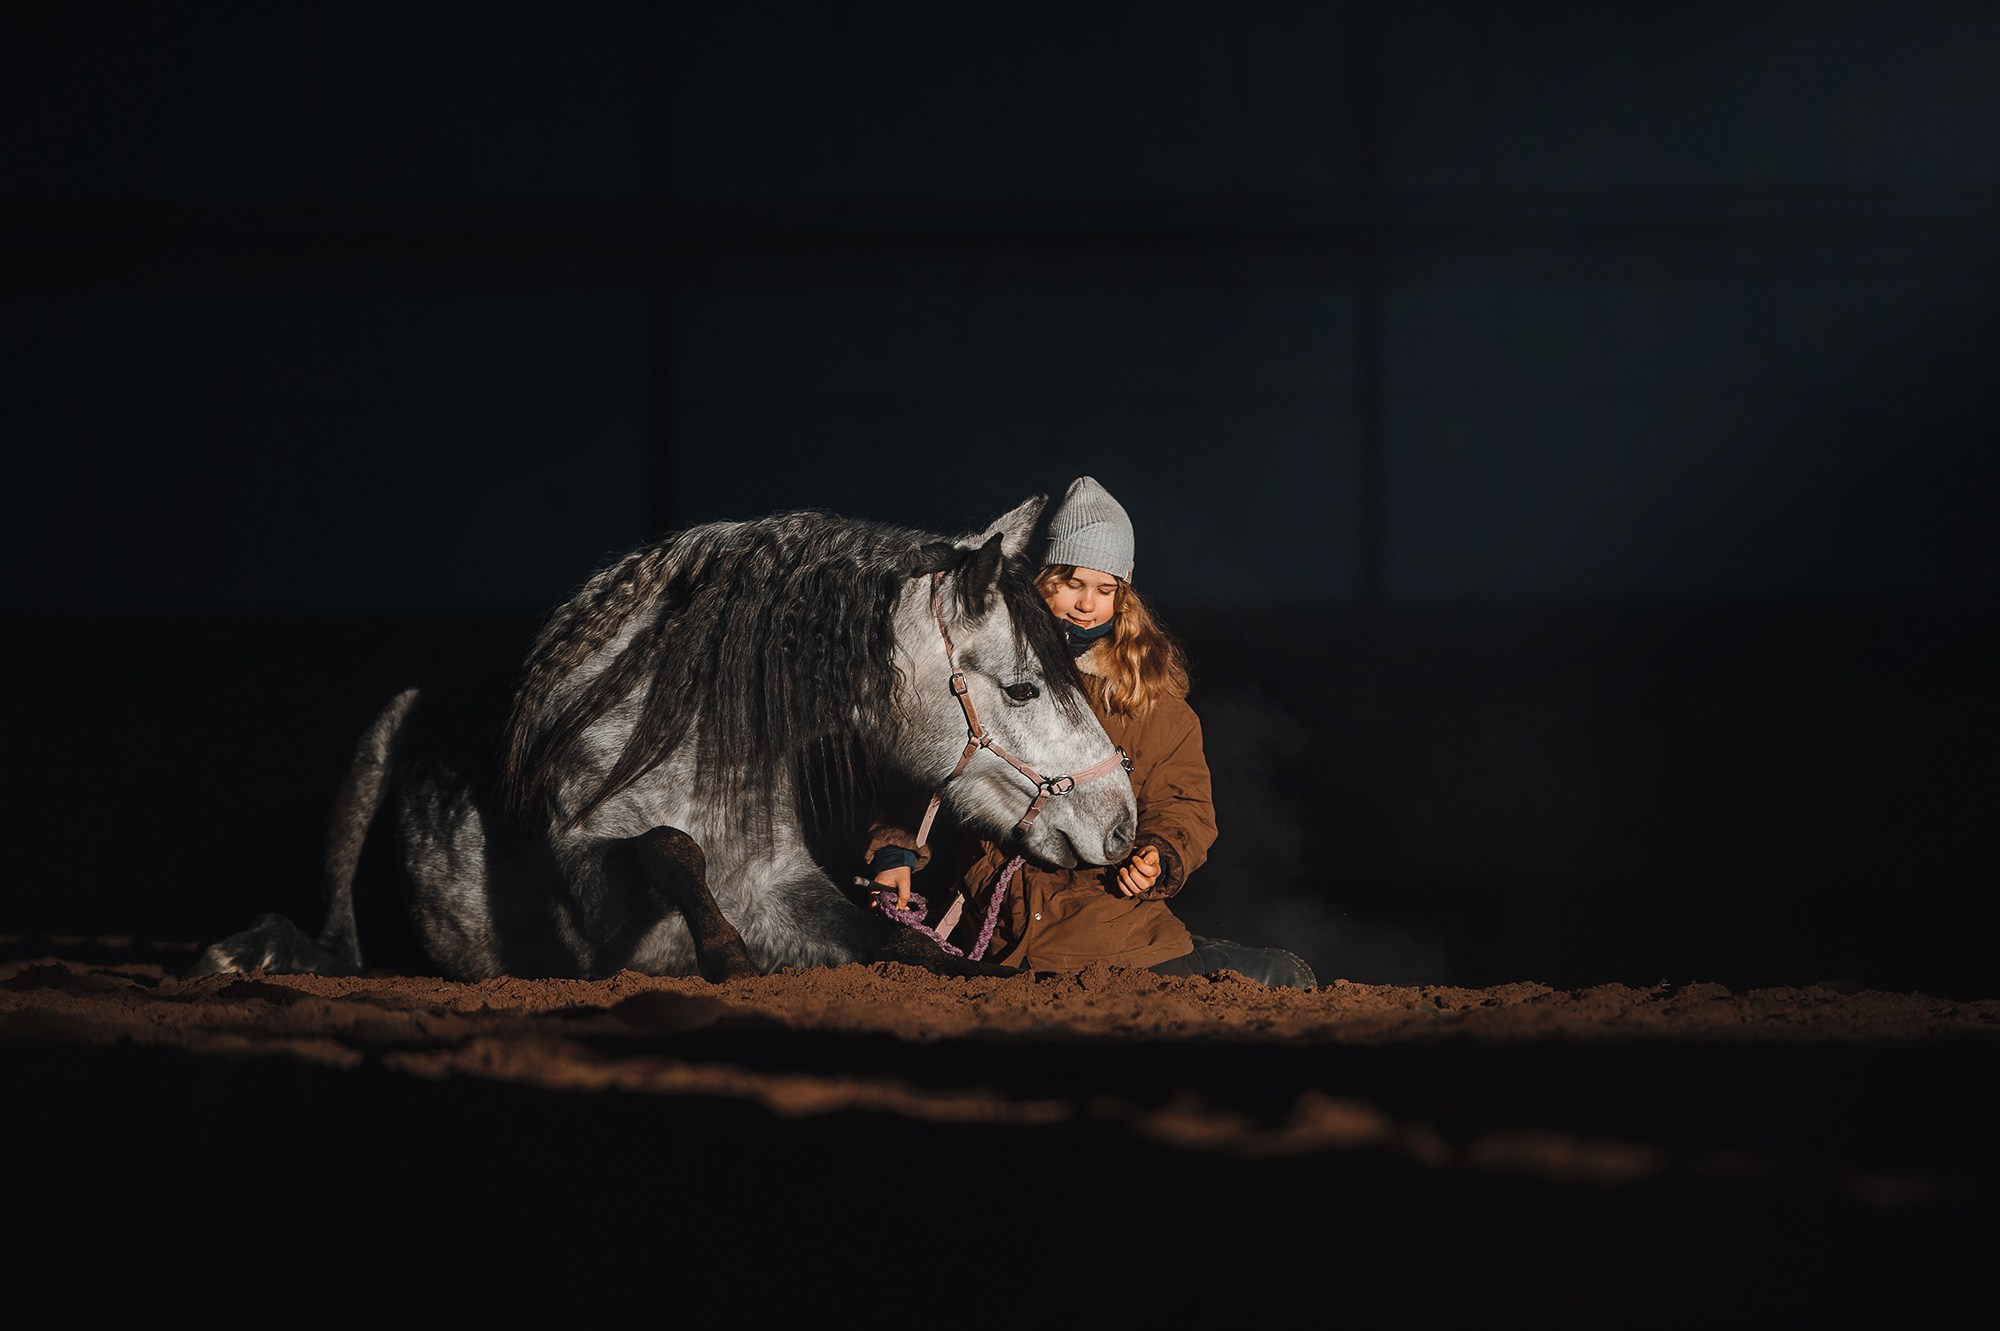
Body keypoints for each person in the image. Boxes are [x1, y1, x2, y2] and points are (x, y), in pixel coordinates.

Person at [862, 476, 1317, 989]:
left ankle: (1236, 967)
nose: (1086, 604)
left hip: (1108, 936)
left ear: (1123, 595)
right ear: (1045, 580)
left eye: (1105, 590)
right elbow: (922, 760)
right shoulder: (991, 676)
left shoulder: (1149, 702)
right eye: (1073, 583)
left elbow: (1183, 802)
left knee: (1163, 993)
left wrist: (1160, 853)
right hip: (993, 933)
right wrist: (895, 853)